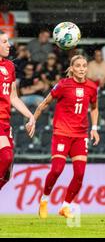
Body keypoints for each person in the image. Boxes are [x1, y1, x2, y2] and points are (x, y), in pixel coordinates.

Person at [35, 55, 99, 219]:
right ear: (71, 68)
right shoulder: (63, 85)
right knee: (57, 169)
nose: (82, 68)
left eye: (84, 65)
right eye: (78, 66)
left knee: (79, 174)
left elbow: (94, 108)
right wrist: (33, 119)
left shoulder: (92, 87)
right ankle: (44, 199)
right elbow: (45, 102)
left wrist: (95, 128)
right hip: (62, 133)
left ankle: (65, 206)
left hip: (80, 135)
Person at [0, 30, 36, 191]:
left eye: (8, 41)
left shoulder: (9, 66)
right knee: (6, 156)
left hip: (5, 121)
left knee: (7, 174)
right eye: (4, 42)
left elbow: (13, 97)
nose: (9, 45)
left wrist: (30, 116)